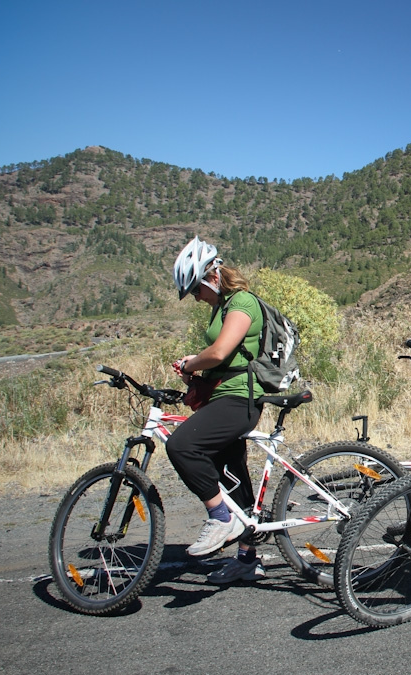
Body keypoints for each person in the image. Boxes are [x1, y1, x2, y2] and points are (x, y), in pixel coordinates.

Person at [168, 236, 266, 583]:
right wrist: (195, 366)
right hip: (226, 395)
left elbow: (221, 351)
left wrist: (192, 363)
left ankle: (220, 517)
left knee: (181, 445)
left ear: (212, 276)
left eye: (196, 289)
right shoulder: (223, 305)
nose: (196, 298)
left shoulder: (242, 302)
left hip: (240, 399)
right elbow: (221, 357)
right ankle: (247, 559)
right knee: (232, 475)